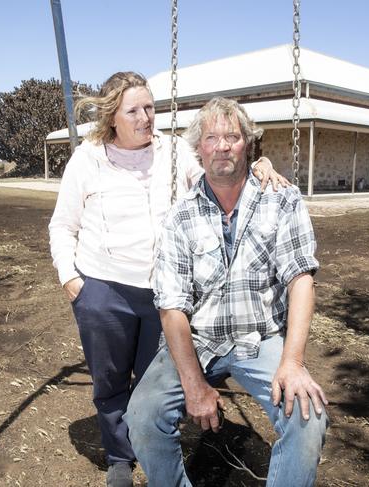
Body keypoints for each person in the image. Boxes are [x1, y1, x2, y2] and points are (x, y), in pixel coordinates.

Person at [48, 72, 288, 487]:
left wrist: (257, 164)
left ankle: (154, 449)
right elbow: (62, 225)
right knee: (109, 380)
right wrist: (72, 280)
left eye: (149, 107)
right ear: (112, 118)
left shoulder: (173, 150)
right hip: (103, 289)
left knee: (151, 385)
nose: (146, 118)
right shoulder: (87, 159)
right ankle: (119, 460)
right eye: (134, 111)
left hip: (165, 293)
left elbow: (220, 175)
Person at [125, 97, 328, 487]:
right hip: (197, 340)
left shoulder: (282, 201)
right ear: (199, 147)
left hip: (261, 338)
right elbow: (171, 307)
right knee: (143, 415)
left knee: (308, 417)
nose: (222, 145)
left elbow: (300, 279)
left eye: (232, 136)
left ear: (247, 144)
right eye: (212, 137)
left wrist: (293, 362)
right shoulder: (180, 216)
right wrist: (193, 383)